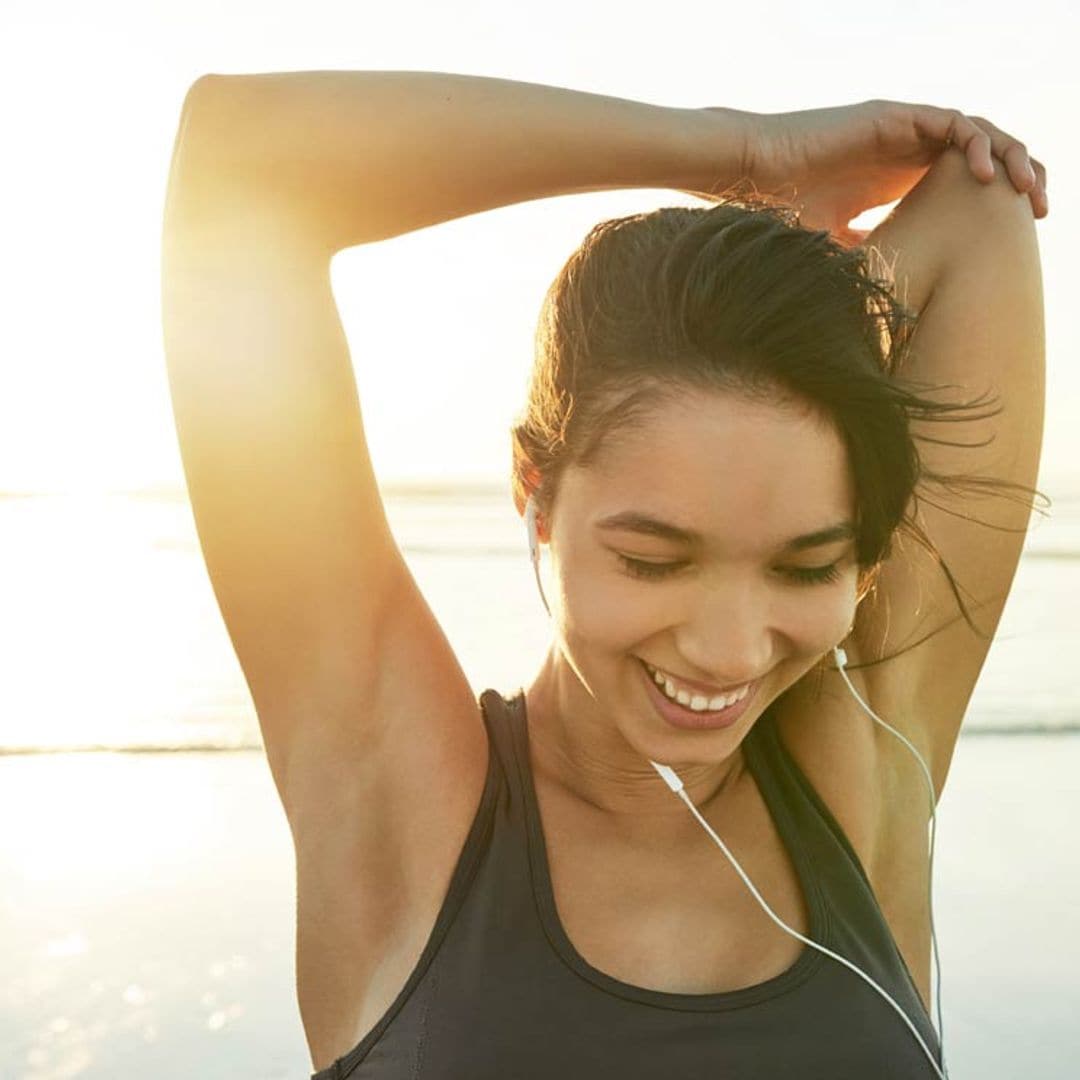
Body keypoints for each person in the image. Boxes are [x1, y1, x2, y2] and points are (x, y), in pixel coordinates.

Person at [160, 72, 1047, 1079]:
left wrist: (774, 290)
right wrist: (740, 152)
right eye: (653, 558)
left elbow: (980, 206)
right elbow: (240, 166)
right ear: (535, 491)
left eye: (807, 567)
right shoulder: (403, 806)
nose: (729, 649)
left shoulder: (866, 774)